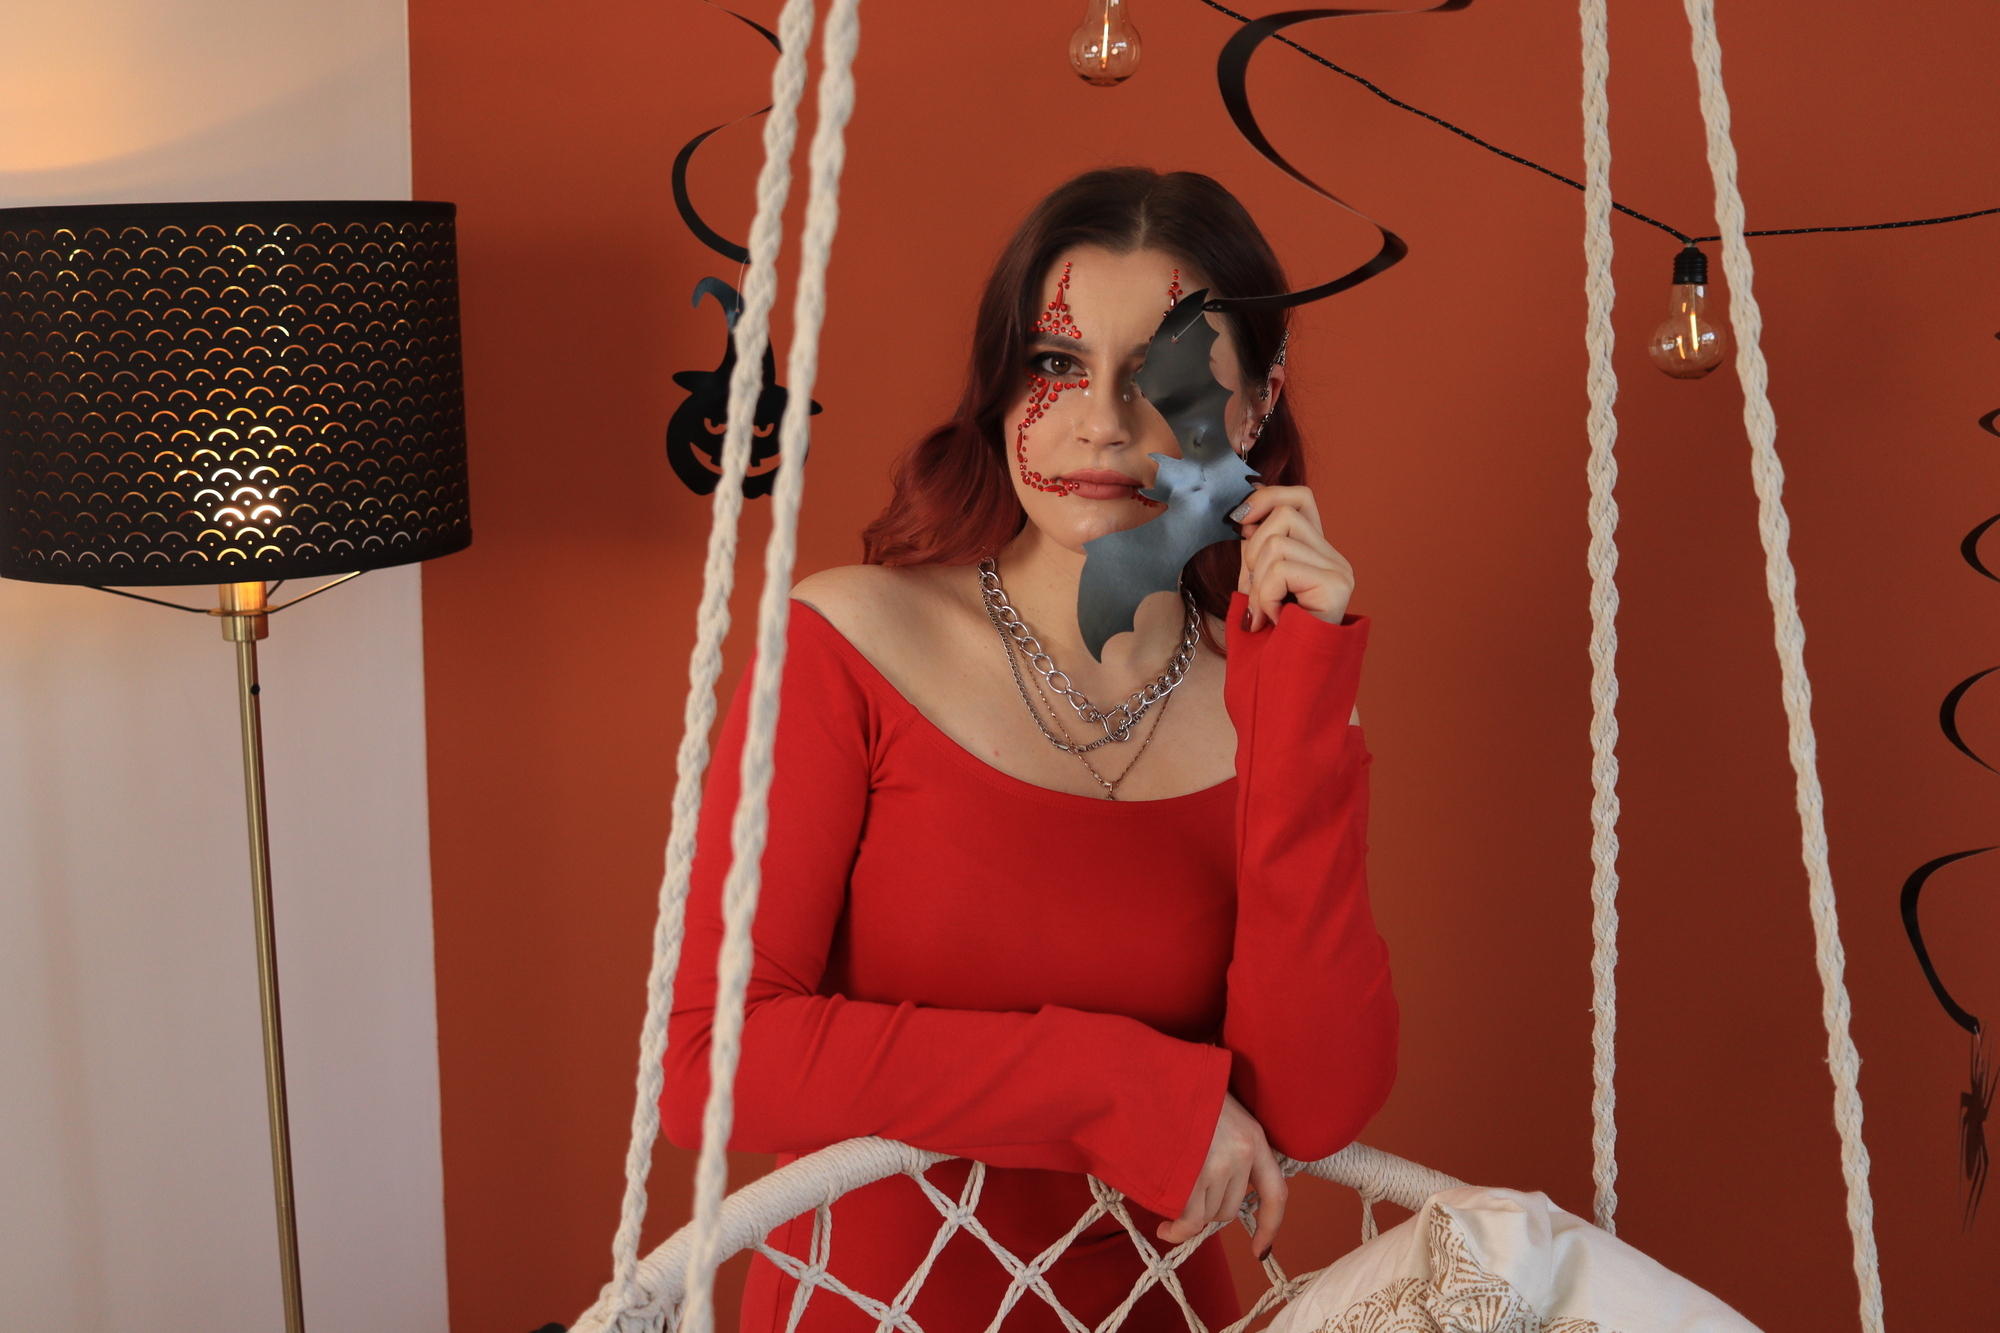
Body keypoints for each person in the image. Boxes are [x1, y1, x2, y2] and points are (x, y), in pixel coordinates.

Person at [661, 166, 1396, 1333]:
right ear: (1002, 382)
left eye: (1165, 376)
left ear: (1254, 407)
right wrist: (1116, 1086)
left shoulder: (1278, 706)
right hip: (862, 1313)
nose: (1100, 421)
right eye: (1056, 362)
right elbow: (710, 1061)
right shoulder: (848, 641)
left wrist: (1301, 690)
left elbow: (1310, 1107)